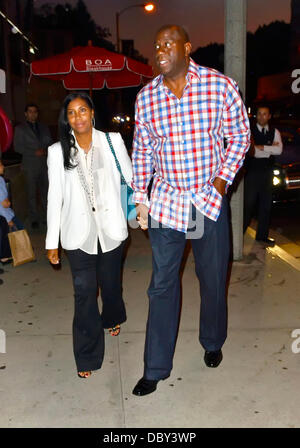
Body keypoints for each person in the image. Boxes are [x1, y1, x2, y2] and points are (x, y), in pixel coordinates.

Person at [131, 25, 250, 396]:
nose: (160, 49)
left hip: (204, 202)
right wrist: (140, 197)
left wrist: (220, 181)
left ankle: (212, 341)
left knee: (211, 277)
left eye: (168, 43)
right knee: (161, 285)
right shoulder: (147, 97)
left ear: (186, 47)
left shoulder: (219, 87)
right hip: (167, 202)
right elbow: (143, 151)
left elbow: (241, 136)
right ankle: (155, 367)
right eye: (156, 44)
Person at [46, 92, 132, 378]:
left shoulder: (112, 141)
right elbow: (54, 197)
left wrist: (141, 207)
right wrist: (51, 242)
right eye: (71, 112)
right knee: (84, 293)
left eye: (83, 110)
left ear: (92, 113)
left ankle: (113, 315)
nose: (78, 117)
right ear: (66, 118)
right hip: (77, 235)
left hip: (110, 229)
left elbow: (130, 178)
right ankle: (86, 356)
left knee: (109, 285)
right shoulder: (57, 152)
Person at [243, 105, 283, 245]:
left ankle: (262, 236)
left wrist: (263, 147)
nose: (261, 116)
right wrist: (268, 149)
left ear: (269, 116)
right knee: (248, 205)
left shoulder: (274, 131)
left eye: (264, 114)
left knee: (266, 205)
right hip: (253, 172)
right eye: (259, 114)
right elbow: (251, 151)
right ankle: (239, 234)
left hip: (267, 172)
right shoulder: (250, 131)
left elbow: (279, 150)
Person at [14, 103, 52, 229]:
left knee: (46, 192)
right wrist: (34, 152)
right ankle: (34, 218)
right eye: (30, 111)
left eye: (35, 111)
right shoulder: (20, 128)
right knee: (31, 194)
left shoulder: (44, 127)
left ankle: (47, 217)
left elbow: (50, 143)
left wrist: (45, 151)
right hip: (29, 165)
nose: (33, 114)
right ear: (25, 114)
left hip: (44, 165)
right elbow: (17, 147)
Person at [0, 160, 24, 231]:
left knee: (21, 230)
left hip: (9, 213)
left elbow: (4, 197)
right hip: (4, 218)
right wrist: (8, 221)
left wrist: (7, 200)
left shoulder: (1, 179)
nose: (3, 167)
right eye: (0, 165)